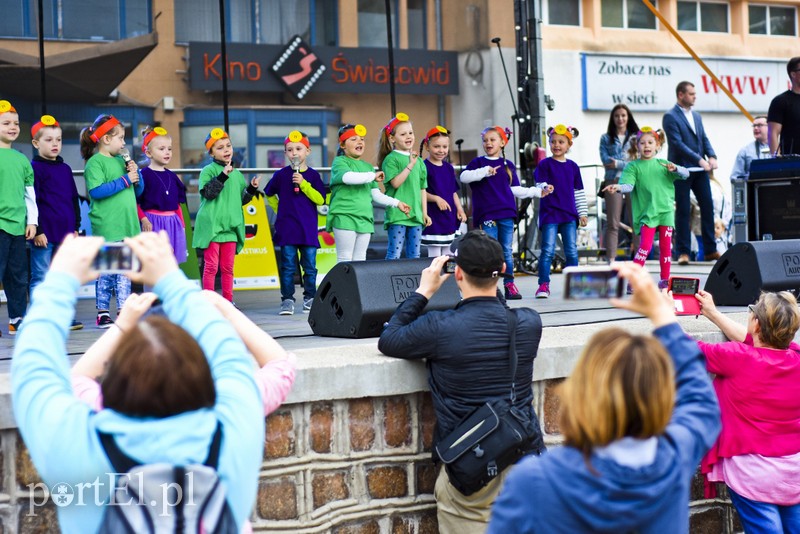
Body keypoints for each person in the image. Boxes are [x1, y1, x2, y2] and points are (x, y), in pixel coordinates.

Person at [11, 232, 265, 533]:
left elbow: (33, 366)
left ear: (113, 380)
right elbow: (230, 356)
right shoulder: (234, 433)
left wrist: (59, 281)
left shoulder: (78, 448)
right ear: (202, 377)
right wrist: (172, 280)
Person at [488, 262, 721, 534]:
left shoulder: (534, 482)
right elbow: (701, 402)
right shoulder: (673, 458)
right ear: (660, 399)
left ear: (583, 392)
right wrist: (663, 317)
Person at [378, 229, 545, 532]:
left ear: (457, 275)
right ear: (504, 270)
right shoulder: (529, 323)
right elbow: (499, 314)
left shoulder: (440, 327)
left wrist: (423, 291)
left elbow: (389, 337)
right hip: (527, 463)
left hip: (474, 470)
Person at [694, 289, 800, 533]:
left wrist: (663, 313)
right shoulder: (795, 357)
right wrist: (712, 313)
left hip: (754, 477)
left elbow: (683, 347)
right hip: (793, 476)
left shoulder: (738, 358)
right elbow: (756, 342)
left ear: (757, 324)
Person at [460, 126, 548, 300]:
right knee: (490, 250)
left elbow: (515, 189)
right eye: (485, 140)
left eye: (492, 140)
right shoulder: (478, 163)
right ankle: (489, 287)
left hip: (506, 214)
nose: (488, 143)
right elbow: (464, 177)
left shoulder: (507, 165)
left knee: (506, 251)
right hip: (487, 215)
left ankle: (509, 285)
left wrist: (537, 192)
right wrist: (484, 172)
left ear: (502, 142)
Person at [603, 127, 689, 289]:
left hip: (665, 212)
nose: (646, 146)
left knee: (665, 247)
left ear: (657, 145)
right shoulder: (633, 167)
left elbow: (686, 174)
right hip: (647, 214)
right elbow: (628, 185)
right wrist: (618, 187)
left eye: (650, 142)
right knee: (645, 247)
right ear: (637, 146)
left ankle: (665, 280)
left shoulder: (664, 164)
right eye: (642, 143)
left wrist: (676, 169)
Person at [80, 114, 143, 328]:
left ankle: (124, 311)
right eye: (121, 138)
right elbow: (97, 191)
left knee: (125, 273)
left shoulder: (120, 161)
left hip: (127, 226)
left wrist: (136, 175)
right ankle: (103, 312)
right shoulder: (94, 163)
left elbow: (139, 191)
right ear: (106, 139)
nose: (124, 143)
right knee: (107, 273)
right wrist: (125, 180)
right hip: (108, 226)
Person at [192, 128, 260, 302]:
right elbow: (208, 193)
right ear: (211, 152)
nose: (226, 150)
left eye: (228, 145)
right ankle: (209, 303)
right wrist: (222, 176)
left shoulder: (237, 175)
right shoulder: (208, 170)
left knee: (228, 268)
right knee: (211, 267)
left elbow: (241, 200)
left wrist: (251, 188)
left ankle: (228, 302)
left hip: (230, 228)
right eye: (220, 147)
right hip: (212, 227)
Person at [327, 123, 410, 262]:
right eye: (353, 139)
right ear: (342, 145)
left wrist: (397, 203)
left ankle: (355, 285)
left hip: (365, 218)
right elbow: (347, 178)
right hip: (344, 216)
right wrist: (373, 176)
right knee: (345, 258)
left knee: (360, 259)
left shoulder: (368, 167)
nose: (359, 142)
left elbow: (376, 194)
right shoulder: (339, 162)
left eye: (361, 139)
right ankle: (343, 284)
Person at [264, 130, 326, 316]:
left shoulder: (313, 176)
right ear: (285, 153)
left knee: (309, 266)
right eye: (290, 150)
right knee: (288, 266)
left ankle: (310, 298)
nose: (294, 153)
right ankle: (287, 300)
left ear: (307, 151)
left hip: (307, 229)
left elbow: (320, 199)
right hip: (287, 228)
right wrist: (279, 209)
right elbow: (268, 193)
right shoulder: (281, 175)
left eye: (299, 149)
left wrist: (304, 183)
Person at [29, 114, 82, 330]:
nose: (55, 144)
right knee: (41, 276)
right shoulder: (34, 168)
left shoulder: (65, 169)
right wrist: (38, 230)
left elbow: (73, 198)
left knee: (63, 277)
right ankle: (40, 318)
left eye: (58, 140)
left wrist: (76, 227)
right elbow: (32, 201)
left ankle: (64, 317)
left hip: (66, 233)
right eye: (48, 140)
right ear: (36, 143)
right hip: (44, 234)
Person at [662, 81, 720, 264]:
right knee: (683, 211)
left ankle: (711, 250)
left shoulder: (696, 116)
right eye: (691, 93)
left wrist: (711, 155)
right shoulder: (670, 116)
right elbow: (677, 144)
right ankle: (683, 252)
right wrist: (699, 159)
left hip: (699, 170)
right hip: (681, 170)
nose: (695, 96)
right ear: (681, 94)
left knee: (708, 207)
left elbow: (703, 137)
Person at [534, 124, 586, 299]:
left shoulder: (573, 167)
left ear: (569, 145)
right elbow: (538, 183)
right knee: (547, 250)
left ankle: (575, 285)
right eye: (553, 141)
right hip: (550, 214)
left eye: (561, 142)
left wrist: (583, 213)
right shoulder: (545, 164)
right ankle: (543, 285)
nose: (556, 145)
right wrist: (544, 187)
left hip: (569, 216)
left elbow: (578, 192)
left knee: (571, 250)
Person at [0, 100, 37, 336]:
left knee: (18, 277)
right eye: (6, 123)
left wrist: (32, 221)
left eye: (15, 123)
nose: (13, 127)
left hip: (17, 228)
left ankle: (17, 318)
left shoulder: (22, 160)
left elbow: (29, 194)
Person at [378, 113, 430, 259]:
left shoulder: (419, 161)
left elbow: (422, 188)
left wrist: (424, 213)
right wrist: (410, 165)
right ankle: (388, 282)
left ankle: (414, 282)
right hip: (397, 215)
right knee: (394, 253)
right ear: (392, 138)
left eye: (410, 133)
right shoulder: (391, 159)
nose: (408, 136)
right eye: (403, 134)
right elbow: (395, 183)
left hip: (416, 216)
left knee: (415, 255)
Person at [137, 126, 188, 264]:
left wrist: (182, 227)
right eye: (161, 149)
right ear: (148, 153)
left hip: (173, 224)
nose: (167, 152)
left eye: (169, 149)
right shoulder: (143, 176)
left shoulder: (172, 176)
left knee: (171, 265)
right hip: (153, 224)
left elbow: (177, 204)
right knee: (153, 265)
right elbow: (135, 202)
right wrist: (144, 219)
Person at [599, 103, 639, 263]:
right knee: (612, 223)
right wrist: (625, 162)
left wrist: (618, 163)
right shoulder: (605, 137)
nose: (620, 119)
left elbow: (637, 161)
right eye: (617, 116)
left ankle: (639, 260)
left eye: (623, 115)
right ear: (612, 118)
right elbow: (605, 160)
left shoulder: (636, 137)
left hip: (633, 181)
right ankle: (611, 261)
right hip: (612, 180)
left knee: (636, 221)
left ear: (628, 117)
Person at [420, 125, 467, 257]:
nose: (441, 150)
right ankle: (434, 276)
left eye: (444, 147)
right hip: (433, 217)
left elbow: (453, 191)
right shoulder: (423, 167)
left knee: (448, 251)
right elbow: (420, 192)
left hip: (448, 216)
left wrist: (460, 209)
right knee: (435, 254)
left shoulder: (448, 168)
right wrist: (436, 198)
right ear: (427, 147)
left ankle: (447, 277)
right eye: (437, 146)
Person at [767, 56, 800, 156]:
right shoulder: (780, 101)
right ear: (793, 74)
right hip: (792, 163)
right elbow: (772, 133)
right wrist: (777, 162)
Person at [730, 116, 771, 181]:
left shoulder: (779, 148)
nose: (755, 128)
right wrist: (750, 177)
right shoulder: (745, 151)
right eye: (754, 126)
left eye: (759, 125)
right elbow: (734, 177)